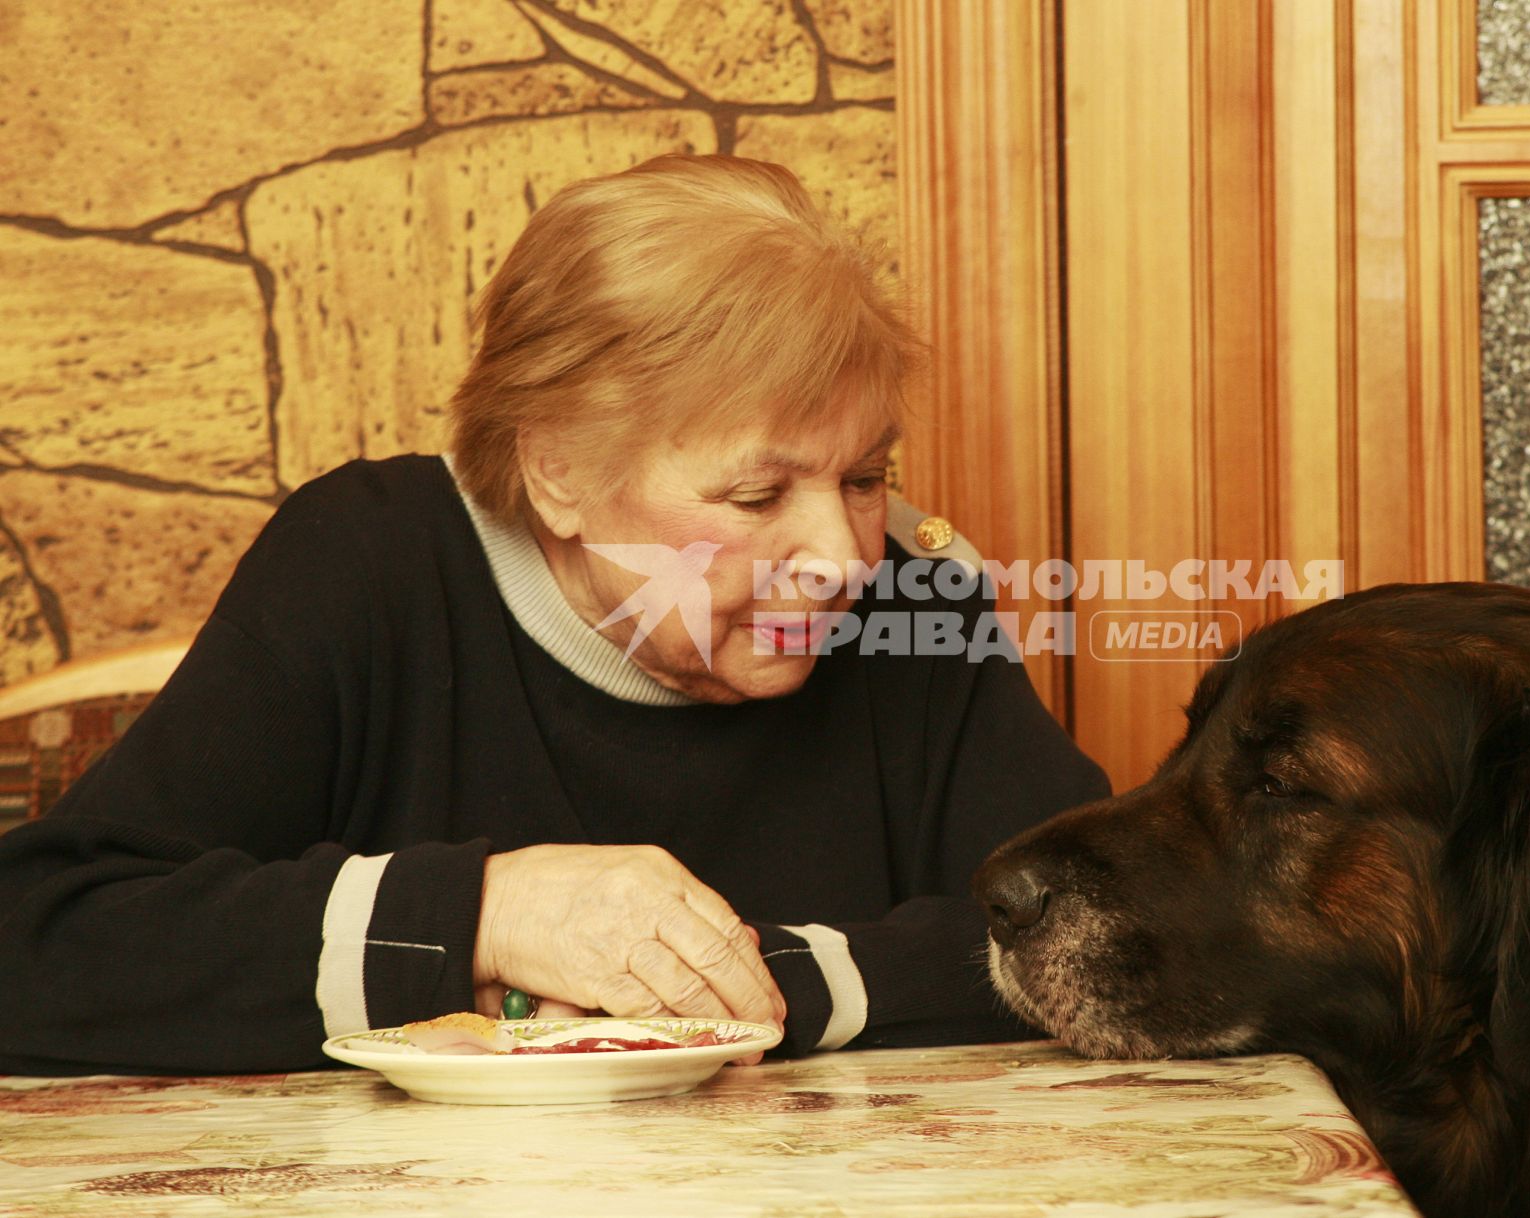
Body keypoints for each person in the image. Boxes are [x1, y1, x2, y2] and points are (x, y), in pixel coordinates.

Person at [0, 154, 1109, 1075]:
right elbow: (37, 939)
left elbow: (1106, 927)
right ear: (559, 474)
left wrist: (748, 989)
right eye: (757, 495)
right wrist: (485, 913)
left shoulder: (917, 593)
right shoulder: (370, 565)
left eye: (865, 477)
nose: (841, 560)